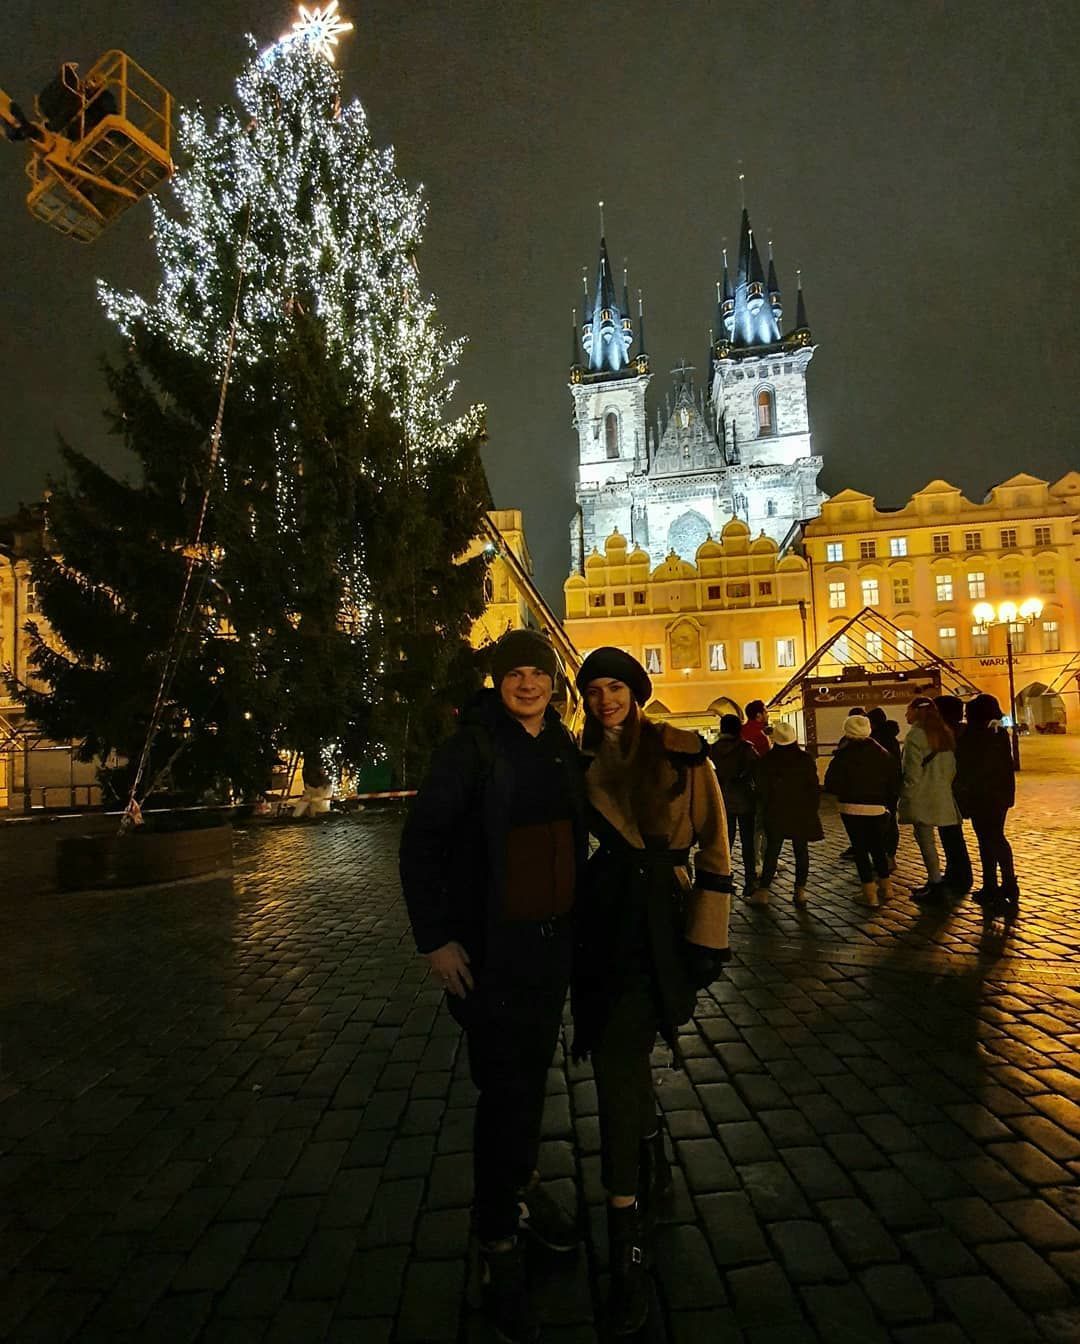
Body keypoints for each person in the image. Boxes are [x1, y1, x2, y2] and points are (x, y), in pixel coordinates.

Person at [400, 629, 586, 1344]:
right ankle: (497, 1235)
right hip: (491, 950)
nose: (528, 684)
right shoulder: (470, 750)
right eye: (515, 674)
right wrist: (435, 939)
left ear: (554, 684)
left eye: (539, 673)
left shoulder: (560, 744)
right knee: (505, 1090)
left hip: (549, 947)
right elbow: (421, 844)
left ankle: (521, 1181)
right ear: (498, 682)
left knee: (529, 1078)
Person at [572, 648, 733, 1336]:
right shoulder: (576, 759)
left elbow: (717, 845)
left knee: (619, 1064)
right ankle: (644, 1153)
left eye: (615, 687)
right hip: (602, 922)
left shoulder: (682, 750)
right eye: (594, 690)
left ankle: (626, 1242)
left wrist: (708, 936)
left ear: (635, 692)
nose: (605, 699)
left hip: (661, 924)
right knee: (620, 1063)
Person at [823, 714, 901, 907]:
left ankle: (869, 893)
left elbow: (831, 783)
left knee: (860, 849)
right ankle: (887, 887)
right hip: (878, 807)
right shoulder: (882, 753)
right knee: (878, 847)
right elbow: (894, 782)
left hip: (851, 807)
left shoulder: (844, 754)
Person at [954, 693, 1019, 917]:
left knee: (989, 838)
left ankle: (999, 884)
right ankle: (1001, 883)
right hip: (999, 795)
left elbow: (966, 767)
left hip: (981, 796)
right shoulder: (998, 734)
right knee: (994, 838)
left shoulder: (974, 736)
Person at [751, 721, 822, 907]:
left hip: (776, 811)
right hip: (801, 811)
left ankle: (763, 891)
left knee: (772, 851)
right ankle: (800, 892)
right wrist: (812, 808)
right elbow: (814, 787)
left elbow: (761, 789)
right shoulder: (805, 759)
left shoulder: (767, 760)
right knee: (801, 851)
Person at [899, 696, 961, 903]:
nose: (906, 714)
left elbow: (912, 772)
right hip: (942, 793)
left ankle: (935, 882)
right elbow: (952, 768)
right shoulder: (944, 733)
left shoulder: (915, 736)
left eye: (908, 710)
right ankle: (936, 882)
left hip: (921, 794)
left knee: (925, 841)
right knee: (935, 840)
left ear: (917, 711)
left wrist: (906, 796)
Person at [708, 713, 759, 895]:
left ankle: (725, 878)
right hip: (745, 800)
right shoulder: (746, 748)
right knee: (748, 844)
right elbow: (756, 770)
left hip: (722, 801)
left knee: (724, 843)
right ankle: (750, 881)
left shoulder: (712, 750)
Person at [934, 695, 974, 894]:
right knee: (952, 834)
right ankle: (957, 873)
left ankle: (959, 875)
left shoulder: (948, 733)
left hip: (951, 790)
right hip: (957, 789)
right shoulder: (964, 731)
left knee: (951, 834)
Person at [868, 707, 902, 868]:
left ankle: (882, 858)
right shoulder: (892, 738)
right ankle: (890, 856)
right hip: (892, 788)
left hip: (877, 788)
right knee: (891, 821)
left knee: (878, 825)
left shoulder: (874, 740)